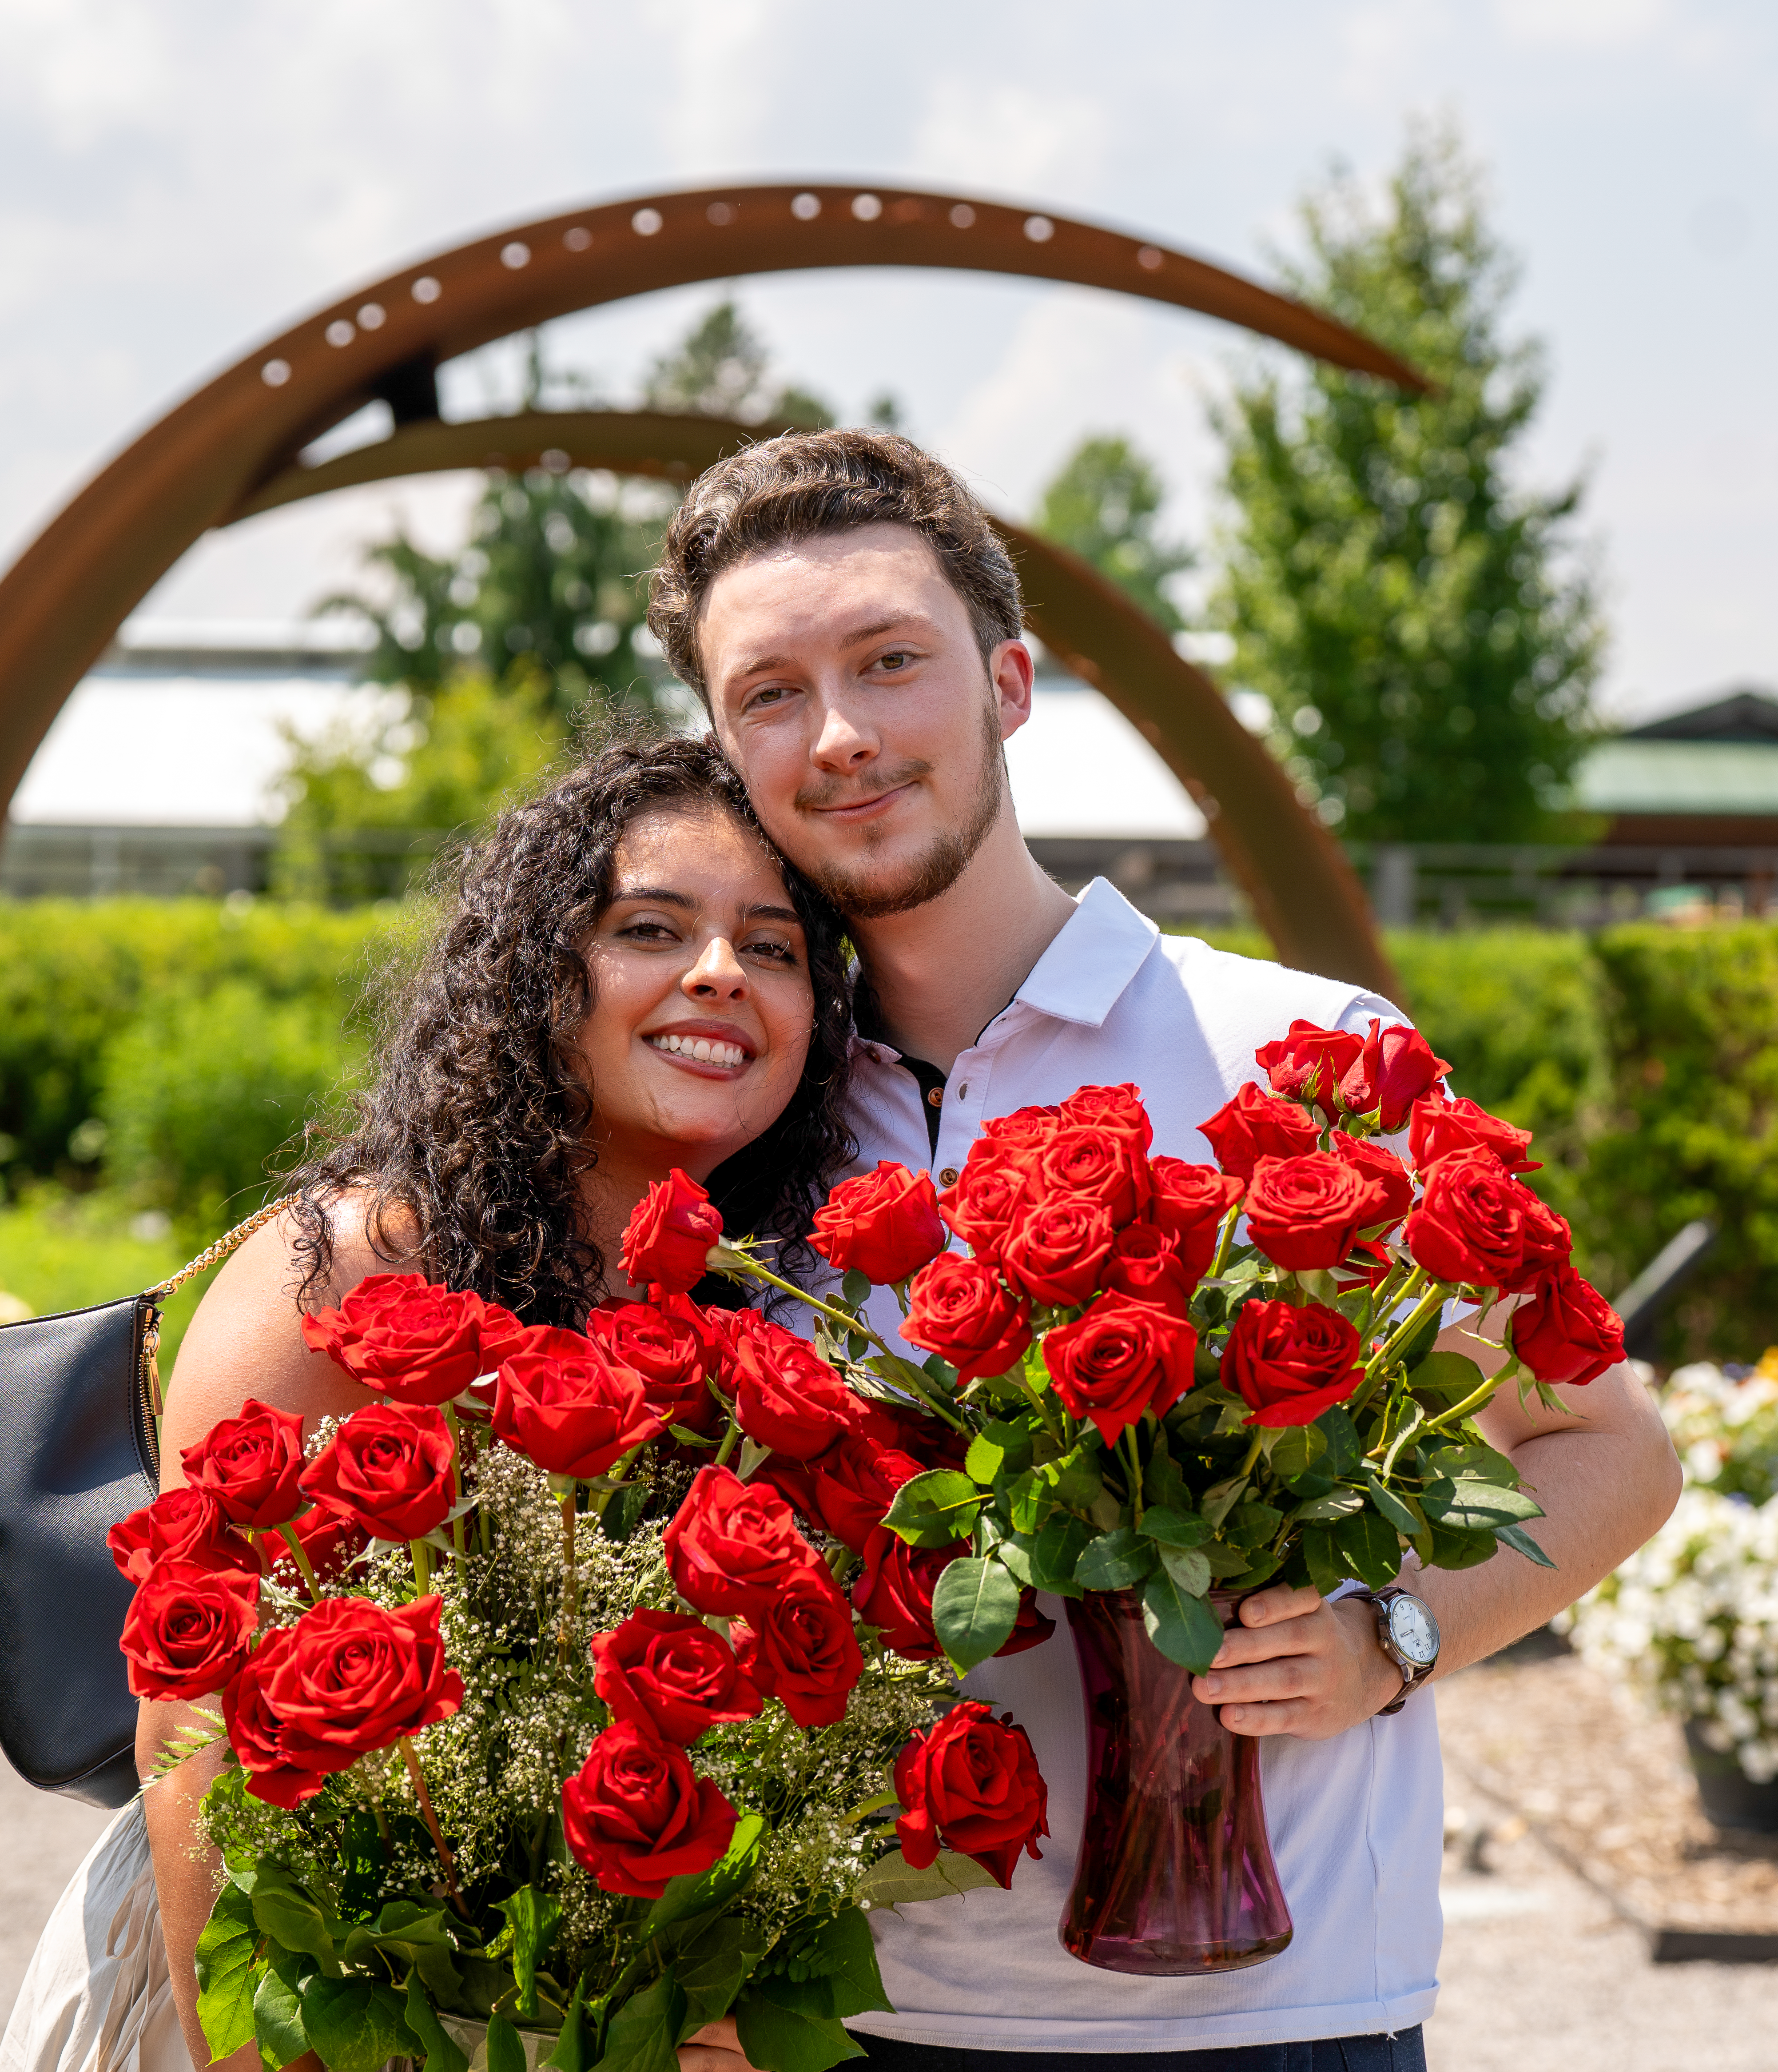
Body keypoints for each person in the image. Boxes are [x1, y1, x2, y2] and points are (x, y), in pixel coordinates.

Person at [647, 429, 1685, 2072]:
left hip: (1273, 2022)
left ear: (1008, 684)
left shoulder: (1298, 1055)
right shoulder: (731, 1105)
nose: (837, 734)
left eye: (889, 663)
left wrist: (1389, 1639)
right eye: (770, 692)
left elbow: (1614, 1452)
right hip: (849, 2020)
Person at [0, 735, 858, 2072]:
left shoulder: (750, 1312)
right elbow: (193, 1718)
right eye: (650, 927)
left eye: (775, 945)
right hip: (289, 1991)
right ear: (539, 974)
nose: (719, 975)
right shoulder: (358, 1266)